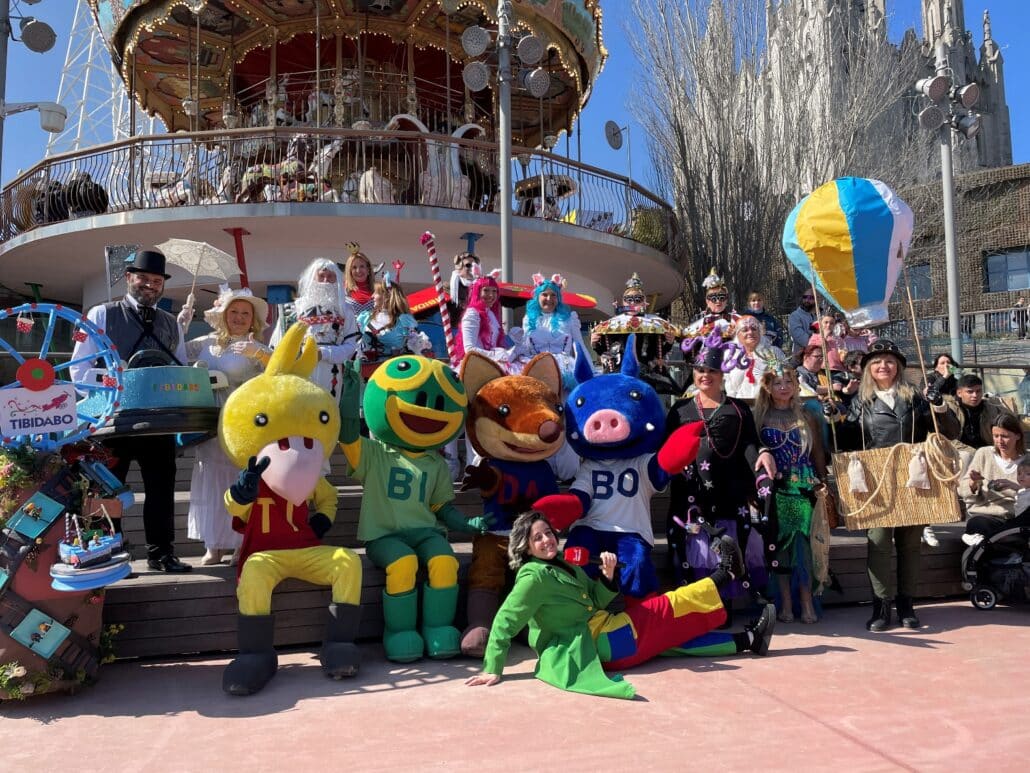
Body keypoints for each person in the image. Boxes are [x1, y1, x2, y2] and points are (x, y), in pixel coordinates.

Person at [464, 512, 776, 699]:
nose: (547, 540)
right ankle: (726, 573)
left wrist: (607, 576)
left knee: (673, 642)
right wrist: (493, 667)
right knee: (666, 605)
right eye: (537, 538)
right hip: (602, 643)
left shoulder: (565, 564)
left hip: (608, 635)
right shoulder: (532, 578)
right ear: (526, 546)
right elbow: (505, 619)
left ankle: (747, 640)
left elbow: (597, 601)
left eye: (548, 533)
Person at [69, 248, 191, 573]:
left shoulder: (171, 323)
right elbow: (78, 371)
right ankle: (104, 555)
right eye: (143, 279)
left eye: (156, 281)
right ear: (129, 278)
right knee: (106, 490)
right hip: (112, 422)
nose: (149, 285)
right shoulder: (99, 314)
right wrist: (113, 382)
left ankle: (161, 554)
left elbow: (179, 369)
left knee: (162, 491)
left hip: (157, 424)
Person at [832, 340, 958, 631]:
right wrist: (835, 419)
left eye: (889, 360)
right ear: (868, 369)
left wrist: (938, 404)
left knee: (910, 544)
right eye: (877, 361)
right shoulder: (860, 402)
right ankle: (881, 606)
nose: (883, 366)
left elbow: (950, 432)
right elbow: (846, 443)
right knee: (877, 543)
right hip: (876, 480)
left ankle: (906, 603)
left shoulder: (915, 397)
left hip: (912, 476)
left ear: (898, 366)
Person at [665, 336, 778, 609]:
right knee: (696, 550)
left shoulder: (738, 409)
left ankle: (724, 604)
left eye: (712, 371)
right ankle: (702, 607)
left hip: (729, 489)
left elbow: (750, 442)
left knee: (728, 544)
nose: (706, 376)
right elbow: (666, 448)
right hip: (691, 492)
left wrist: (763, 453)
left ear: (722, 374)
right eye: (701, 370)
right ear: (694, 373)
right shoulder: (680, 409)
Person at [183, 285, 270, 565]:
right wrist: (180, 324)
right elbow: (176, 353)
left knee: (239, 479)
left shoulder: (257, 346)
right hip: (210, 421)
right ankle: (214, 545)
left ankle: (241, 542)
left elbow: (277, 373)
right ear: (224, 314)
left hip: (243, 422)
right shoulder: (205, 343)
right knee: (211, 478)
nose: (239, 317)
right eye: (234, 311)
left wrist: (260, 354)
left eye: (246, 313)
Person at [754, 367, 829, 624]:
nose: (784, 387)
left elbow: (818, 450)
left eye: (789, 381)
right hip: (776, 489)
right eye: (777, 383)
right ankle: (785, 603)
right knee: (780, 547)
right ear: (767, 387)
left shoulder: (807, 414)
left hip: (805, 487)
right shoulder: (759, 417)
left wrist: (823, 480)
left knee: (804, 546)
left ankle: (807, 601)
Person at [273, 258, 359, 401]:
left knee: (326, 416)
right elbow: (277, 343)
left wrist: (323, 353)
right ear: (312, 278)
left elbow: (352, 346)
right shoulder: (292, 310)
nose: (325, 281)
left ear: (337, 280)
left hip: (331, 374)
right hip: (296, 371)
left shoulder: (346, 311)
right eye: (321, 276)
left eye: (330, 277)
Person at [591, 273, 681, 394]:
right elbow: (605, 351)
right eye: (629, 300)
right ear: (623, 302)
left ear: (644, 302)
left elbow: (659, 352)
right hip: (619, 372)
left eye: (637, 299)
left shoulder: (654, 324)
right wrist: (594, 343)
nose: (633, 303)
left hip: (647, 373)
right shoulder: (612, 326)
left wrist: (669, 342)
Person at [958, 414, 1028, 546]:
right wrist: (973, 483)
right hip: (988, 516)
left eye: (1005, 436)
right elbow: (963, 490)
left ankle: (992, 541)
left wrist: (1017, 487)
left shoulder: (1027, 460)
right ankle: (1003, 543)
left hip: (1018, 517)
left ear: (1018, 436)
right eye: (996, 436)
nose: (1000, 441)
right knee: (976, 524)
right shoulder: (984, 454)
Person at [509, 273, 588, 388]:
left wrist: (591, 372)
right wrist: (516, 343)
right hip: (537, 369)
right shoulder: (528, 319)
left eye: (553, 295)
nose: (549, 299)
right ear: (537, 297)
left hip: (566, 371)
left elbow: (580, 346)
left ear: (558, 298)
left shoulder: (569, 318)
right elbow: (526, 349)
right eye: (544, 295)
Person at [356, 273, 432, 376]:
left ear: (386, 296)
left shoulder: (403, 320)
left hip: (396, 372)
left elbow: (410, 346)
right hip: (370, 374)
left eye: (376, 293)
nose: (372, 296)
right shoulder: (365, 318)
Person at [947, 373, 1018, 453]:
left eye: (978, 391)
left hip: (988, 449)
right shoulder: (950, 409)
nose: (975, 395)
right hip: (960, 451)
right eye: (970, 392)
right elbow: (948, 439)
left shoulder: (991, 407)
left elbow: (1012, 423)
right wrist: (974, 452)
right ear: (959, 393)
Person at [723, 315, 787, 401]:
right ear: (737, 334)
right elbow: (726, 384)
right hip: (740, 407)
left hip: (769, 405)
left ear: (760, 332)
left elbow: (786, 378)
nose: (750, 332)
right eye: (745, 330)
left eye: (754, 329)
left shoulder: (774, 352)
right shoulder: (730, 355)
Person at [454, 271, 510, 364]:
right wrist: (495, 355)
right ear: (477, 291)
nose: (491, 295)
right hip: (476, 367)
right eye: (486, 290)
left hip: (492, 365)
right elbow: (470, 349)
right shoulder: (472, 314)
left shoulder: (491, 314)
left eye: (494, 291)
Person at [684, 268, 742, 340]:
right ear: (707, 301)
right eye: (713, 298)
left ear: (726, 300)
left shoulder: (736, 318)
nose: (718, 301)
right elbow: (686, 341)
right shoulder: (699, 319)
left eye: (722, 297)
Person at [341, 242, 376, 318]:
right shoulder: (342, 290)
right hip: (351, 329)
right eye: (354, 267)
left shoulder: (378, 289)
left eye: (362, 266)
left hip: (373, 329)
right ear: (349, 271)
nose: (358, 271)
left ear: (368, 269)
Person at [448, 251, 480, 325]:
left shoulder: (481, 286)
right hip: (456, 328)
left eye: (474, 265)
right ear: (459, 267)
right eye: (468, 265)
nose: (472, 268)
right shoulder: (449, 287)